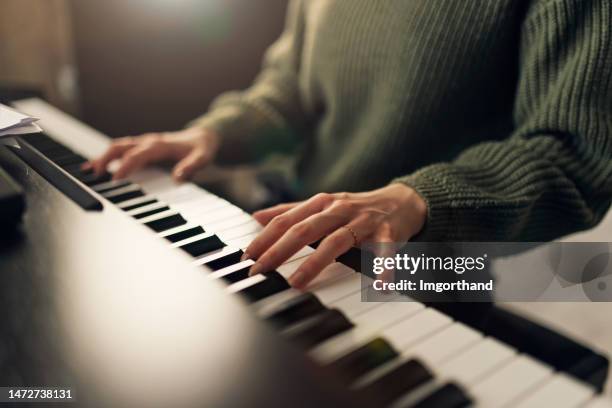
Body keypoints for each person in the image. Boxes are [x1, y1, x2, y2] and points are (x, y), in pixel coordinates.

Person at [86, 0, 612, 289]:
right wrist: (215, 132)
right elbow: (291, 87)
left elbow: (574, 154)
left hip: (427, 270)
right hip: (286, 231)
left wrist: (415, 198)